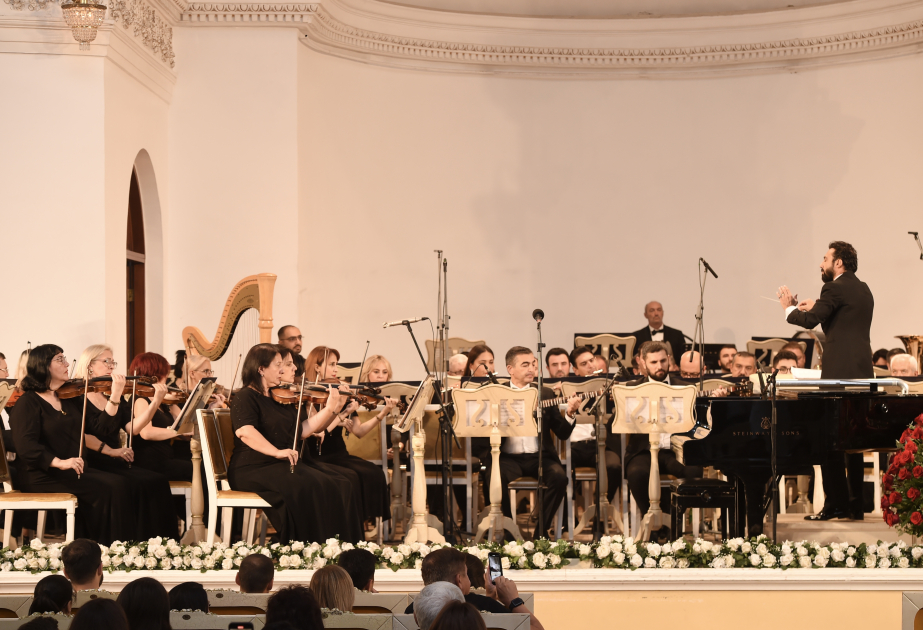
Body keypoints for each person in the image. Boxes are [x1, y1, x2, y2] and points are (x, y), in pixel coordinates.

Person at [778, 240, 874, 522]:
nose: (821, 263)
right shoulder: (863, 288)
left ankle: (835, 504)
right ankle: (855, 505)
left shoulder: (832, 287)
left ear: (838, 263)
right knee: (853, 442)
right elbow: (838, 316)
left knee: (830, 441)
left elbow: (810, 322)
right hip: (861, 373)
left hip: (838, 376)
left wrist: (789, 308)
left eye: (825, 258)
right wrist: (817, 305)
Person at [228, 343, 362, 543]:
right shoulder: (245, 396)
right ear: (261, 369)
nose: (283, 370)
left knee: (340, 482)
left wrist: (334, 408)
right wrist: (276, 452)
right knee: (311, 485)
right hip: (253, 467)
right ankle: (306, 545)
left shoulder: (279, 396)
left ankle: (342, 544)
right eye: (278, 365)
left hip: (279, 463)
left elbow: (303, 431)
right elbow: (245, 432)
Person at [9, 345, 142, 545]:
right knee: (108, 489)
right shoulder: (28, 403)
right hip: (40, 474)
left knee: (121, 483)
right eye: (59, 359)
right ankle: (103, 548)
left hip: (71, 470)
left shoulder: (67, 398)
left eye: (65, 358)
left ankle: (119, 547)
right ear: (44, 366)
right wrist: (60, 463)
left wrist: (114, 397)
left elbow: (100, 429)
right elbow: (26, 446)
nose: (66, 364)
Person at [72, 345, 178, 539]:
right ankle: (124, 542)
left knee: (157, 481)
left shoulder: (111, 394)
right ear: (89, 366)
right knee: (125, 484)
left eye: (113, 362)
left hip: (114, 460)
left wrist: (155, 402)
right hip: (93, 461)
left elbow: (133, 428)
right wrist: (111, 450)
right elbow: (92, 432)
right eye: (107, 361)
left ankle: (157, 543)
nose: (112, 366)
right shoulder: (77, 397)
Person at [479, 347, 581, 537]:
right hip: (507, 457)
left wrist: (570, 413)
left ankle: (540, 533)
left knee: (559, 477)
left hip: (540, 456)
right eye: (525, 365)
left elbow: (562, 433)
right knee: (493, 476)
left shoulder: (545, 393)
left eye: (533, 364)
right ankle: (509, 533)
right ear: (510, 369)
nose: (531, 369)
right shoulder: (496, 392)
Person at [303, 345, 392, 526]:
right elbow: (318, 432)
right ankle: (352, 523)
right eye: (331, 364)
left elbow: (358, 431)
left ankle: (363, 522)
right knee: (352, 477)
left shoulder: (338, 392)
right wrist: (340, 412)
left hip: (338, 453)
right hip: (318, 455)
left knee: (374, 473)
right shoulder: (310, 395)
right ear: (317, 367)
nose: (336, 369)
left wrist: (382, 414)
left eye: (337, 364)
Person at [623, 342, 702, 539]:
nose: (659, 366)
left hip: (676, 449)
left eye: (662, 361)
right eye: (654, 362)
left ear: (669, 360)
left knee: (693, 472)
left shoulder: (686, 387)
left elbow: (696, 422)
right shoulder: (631, 389)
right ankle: (651, 524)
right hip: (644, 450)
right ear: (643, 364)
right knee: (636, 473)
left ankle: (673, 523)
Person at [404, 549, 543, 630]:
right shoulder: (477, 606)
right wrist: (513, 601)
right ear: (459, 580)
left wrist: (489, 598)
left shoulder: (414, 608)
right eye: (466, 574)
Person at [566, 346, 622, 507]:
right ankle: (568, 517)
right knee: (560, 467)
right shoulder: (567, 388)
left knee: (614, 466)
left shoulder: (611, 387)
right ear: (575, 370)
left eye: (592, 360)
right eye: (584, 364)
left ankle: (600, 509)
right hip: (574, 445)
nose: (591, 365)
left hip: (601, 444)